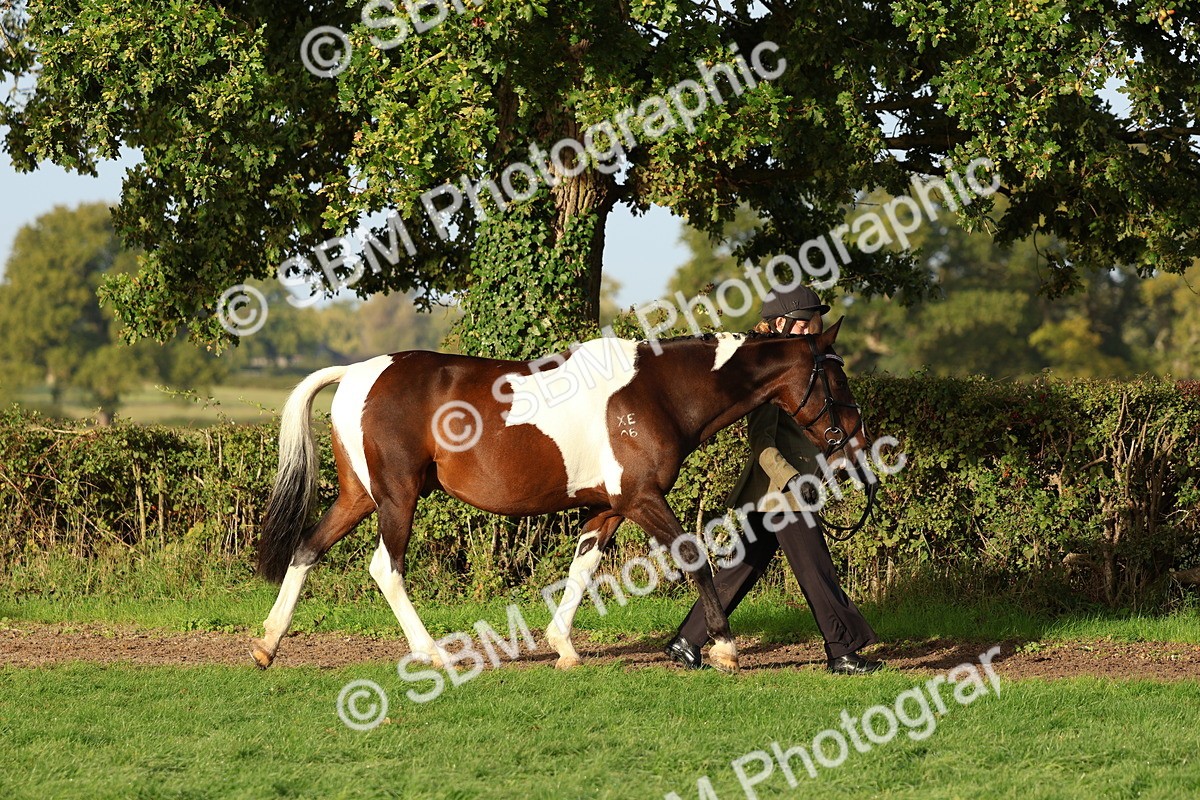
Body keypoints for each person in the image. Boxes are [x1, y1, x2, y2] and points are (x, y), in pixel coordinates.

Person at [664, 285, 884, 675]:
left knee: (741, 567)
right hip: (781, 492)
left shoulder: (801, 367)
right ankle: (842, 652)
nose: (815, 329)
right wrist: (791, 481)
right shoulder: (766, 370)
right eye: (809, 322)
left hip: (783, 491)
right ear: (782, 323)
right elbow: (762, 442)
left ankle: (687, 640)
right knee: (817, 571)